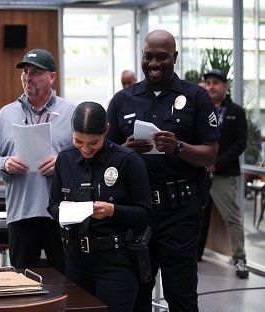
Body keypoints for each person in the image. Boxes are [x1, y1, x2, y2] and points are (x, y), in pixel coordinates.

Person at [106, 29, 219, 312]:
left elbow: (210, 152)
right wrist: (125, 150)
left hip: (179, 212)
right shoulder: (122, 100)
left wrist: (178, 147)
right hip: (135, 213)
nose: (154, 64)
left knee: (180, 295)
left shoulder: (196, 98)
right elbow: (104, 157)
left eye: (162, 58)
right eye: (148, 57)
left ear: (175, 58)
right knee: (136, 294)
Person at [48, 101, 152, 310]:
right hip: (76, 259)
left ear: (106, 131)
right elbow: (52, 206)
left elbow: (145, 214)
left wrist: (113, 211)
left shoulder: (127, 161)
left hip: (116, 260)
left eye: (93, 143)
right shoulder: (65, 159)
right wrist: (64, 210)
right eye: (78, 141)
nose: (86, 149)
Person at [0, 48, 76, 273]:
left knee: (68, 281)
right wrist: (4, 164)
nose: (27, 77)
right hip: (21, 214)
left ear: (52, 77)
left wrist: (62, 163)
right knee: (23, 283)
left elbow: (87, 156)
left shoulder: (71, 112)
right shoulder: (5, 115)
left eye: (34, 72)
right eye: (24, 72)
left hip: (63, 214)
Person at [201, 69, 248, 278]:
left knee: (232, 217)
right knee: (198, 216)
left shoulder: (236, 111)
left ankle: (240, 259)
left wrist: (216, 164)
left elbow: (240, 143)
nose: (211, 86)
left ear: (225, 86)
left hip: (223, 174)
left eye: (216, 83)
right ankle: (194, 255)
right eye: (208, 83)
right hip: (201, 172)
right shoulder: (202, 109)